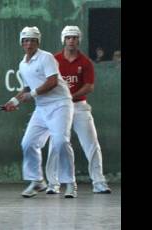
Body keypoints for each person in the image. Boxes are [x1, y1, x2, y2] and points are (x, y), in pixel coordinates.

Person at [4, 26, 77, 198]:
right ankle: (37, 181)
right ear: (21, 43)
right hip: (42, 108)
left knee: (60, 142)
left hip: (60, 105)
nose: (29, 44)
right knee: (28, 143)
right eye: (26, 40)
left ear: (38, 42)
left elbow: (52, 82)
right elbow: (28, 87)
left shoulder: (46, 58)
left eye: (32, 40)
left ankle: (70, 183)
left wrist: (32, 95)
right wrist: (14, 100)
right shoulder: (22, 64)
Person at [45, 26, 111, 194]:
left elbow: (89, 86)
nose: (71, 40)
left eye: (74, 37)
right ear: (63, 40)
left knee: (92, 144)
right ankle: (53, 184)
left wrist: (69, 97)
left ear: (78, 40)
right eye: (68, 37)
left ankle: (99, 182)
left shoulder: (86, 62)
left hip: (80, 107)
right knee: (55, 144)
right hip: (59, 108)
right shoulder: (54, 60)